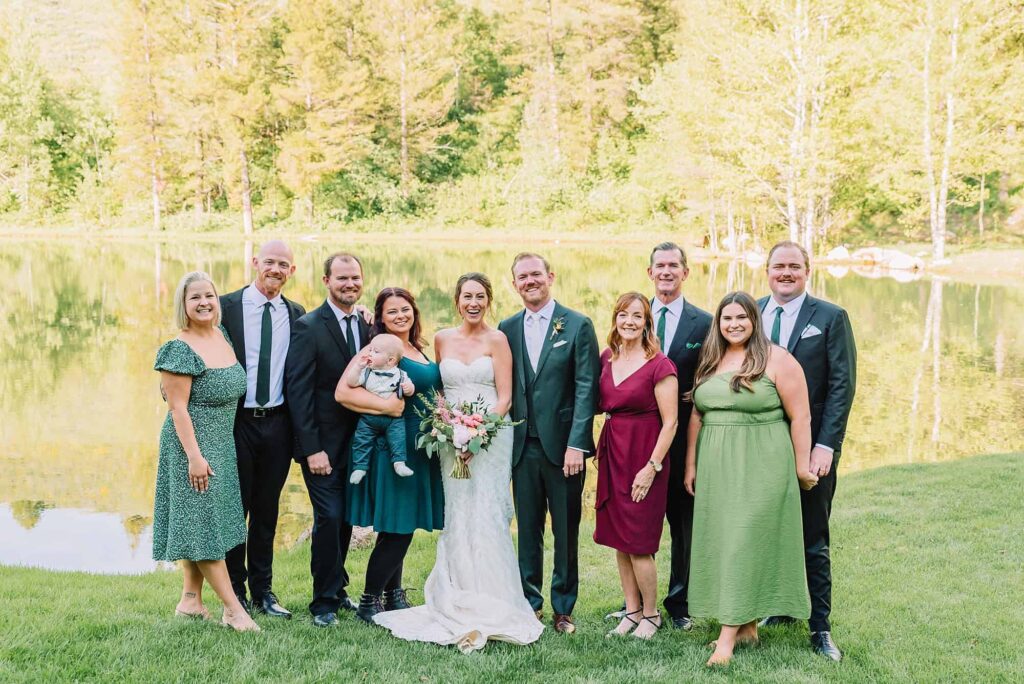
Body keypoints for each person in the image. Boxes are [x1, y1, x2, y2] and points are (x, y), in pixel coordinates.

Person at [374, 273, 544, 652]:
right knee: (459, 512)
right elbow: (439, 393)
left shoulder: (498, 340)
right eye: (467, 296)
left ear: (488, 300)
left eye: (480, 296)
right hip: (449, 437)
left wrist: (481, 432)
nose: (473, 302)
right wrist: (450, 431)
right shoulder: (441, 339)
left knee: (488, 511)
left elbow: (504, 397)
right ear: (457, 300)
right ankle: (456, 589)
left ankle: (496, 596)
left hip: (492, 435)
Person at [684, 291, 819, 666]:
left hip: (763, 464)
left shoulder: (778, 359)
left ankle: (725, 639)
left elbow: (802, 417)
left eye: (741, 317)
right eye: (727, 318)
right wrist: (690, 466)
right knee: (727, 542)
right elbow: (697, 414)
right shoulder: (711, 359)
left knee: (744, 541)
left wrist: (801, 467)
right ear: (719, 323)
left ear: (754, 320)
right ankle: (746, 629)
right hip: (718, 467)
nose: (734, 324)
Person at [757, 241, 857, 661]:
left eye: (793, 267)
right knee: (766, 531)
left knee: (813, 536)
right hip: (760, 446)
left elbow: (841, 387)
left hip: (811, 447)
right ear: (767, 271)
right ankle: (777, 607)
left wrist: (825, 445)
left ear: (806, 271)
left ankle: (820, 627)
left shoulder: (831, 317)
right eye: (779, 266)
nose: (786, 273)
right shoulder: (750, 312)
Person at [498, 253, 601, 634]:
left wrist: (578, 444)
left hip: (564, 450)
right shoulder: (506, 328)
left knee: (565, 531)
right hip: (521, 446)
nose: (530, 281)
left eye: (536, 274)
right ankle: (529, 603)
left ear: (550, 276)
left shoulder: (577, 325)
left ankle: (563, 607)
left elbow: (587, 387)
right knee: (527, 530)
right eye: (522, 277)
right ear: (515, 284)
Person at [153, 271, 259, 632]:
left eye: (209, 296)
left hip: (222, 444)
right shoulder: (178, 349)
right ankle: (233, 609)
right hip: (191, 447)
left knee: (204, 524)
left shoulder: (222, 335)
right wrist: (195, 458)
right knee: (206, 531)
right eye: (195, 297)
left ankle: (190, 601)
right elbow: (177, 408)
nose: (204, 303)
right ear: (183, 305)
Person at [285, 252, 382, 627]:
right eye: (342, 278)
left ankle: (339, 590)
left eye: (355, 278)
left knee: (345, 521)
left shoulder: (367, 327)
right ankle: (322, 604)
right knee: (329, 517)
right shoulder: (308, 326)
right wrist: (311, 449)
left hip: (358, 446)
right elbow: (299, 392)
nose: (350, 285)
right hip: (321, 447)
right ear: (326, 281)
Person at [338, 287, 445, 623]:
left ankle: (393, 594)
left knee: (401, 526)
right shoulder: (376, 349)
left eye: (405, 309)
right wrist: (387, 406)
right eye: (392, 311)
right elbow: (343, 392)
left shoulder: (419, 349)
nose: (400, 316)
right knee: (398, 529)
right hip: (393, 447)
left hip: (422, 446)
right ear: (380, 317)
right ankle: (369, 602)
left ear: (414, 312)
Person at [219, 240, 305, 619]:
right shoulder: (225, 307)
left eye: (283, 264)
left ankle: (263, 592)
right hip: (236, 423)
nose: (275, 269)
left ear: (292, 271)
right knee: (234, 509)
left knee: (267, 512)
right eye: (269, 261)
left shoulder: (297, 313)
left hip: (278, 425)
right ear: (255, 262)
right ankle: (233, 589)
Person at [594, 293, 678, 639]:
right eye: (624, 315)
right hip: (614, 455)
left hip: (645, 457)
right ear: (615, 319)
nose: (629, 321)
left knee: (640, 542)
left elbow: (670, 422)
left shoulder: (660, 364)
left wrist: (652, 467)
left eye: (637, 316)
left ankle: (652, 614)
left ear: (647, 323)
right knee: (619, 540)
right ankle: (630, 611)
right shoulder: (606, 358)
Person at [647, 241, 712, 630]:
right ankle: (637, 599)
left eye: (674, 265)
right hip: (640, 437)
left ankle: (680, 602)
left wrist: (696, 391)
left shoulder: (704, 323)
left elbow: (715, 373)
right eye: (660, 265)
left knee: (682, 523)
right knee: (639, 521)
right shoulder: (635, 316)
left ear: (685, 273)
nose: (667, 272)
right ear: (650, 272)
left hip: (684, 436)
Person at [345, 334, 416, 485]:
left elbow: (410, 389)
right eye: (370, 350)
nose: (370, 354)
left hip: (394, 420)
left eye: (375, 352)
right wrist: (358, 367)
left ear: (390, 360)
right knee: (362, 439)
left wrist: (408, 388)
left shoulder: (400, 374)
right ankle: (360, 467)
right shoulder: (367, 372)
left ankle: (399, 463)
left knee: (398, 439)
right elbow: (351, 383)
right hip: (369, 417)